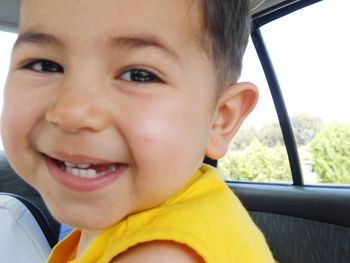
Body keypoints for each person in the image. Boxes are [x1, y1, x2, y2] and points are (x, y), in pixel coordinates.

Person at [1, 0, 274, 262]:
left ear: (219, 120)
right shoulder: (182, 208)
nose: (72, 112)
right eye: (44, 65)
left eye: (139, 75)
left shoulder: (161, 255)